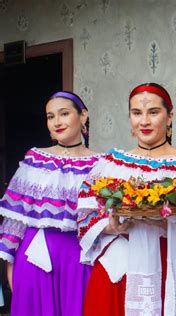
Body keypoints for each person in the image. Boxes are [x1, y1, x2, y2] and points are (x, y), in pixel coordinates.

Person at [77, 83, 176, 316]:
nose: (144, 121)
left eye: (153, 112)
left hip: (169, 266)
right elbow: (86, 217)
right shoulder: (111, 164)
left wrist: (171, 224)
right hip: (119, 270)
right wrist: (110, 226)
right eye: (137, 113)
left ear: (169, 117)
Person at [0, 91, 100, 315]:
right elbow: (15, 221)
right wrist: (10, 267)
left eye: (64, 114)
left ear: (83, 116)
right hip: (34, 258)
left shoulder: (101, 164)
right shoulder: (34, 160)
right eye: (50, 116)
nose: (56, 122)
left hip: (80, 259)